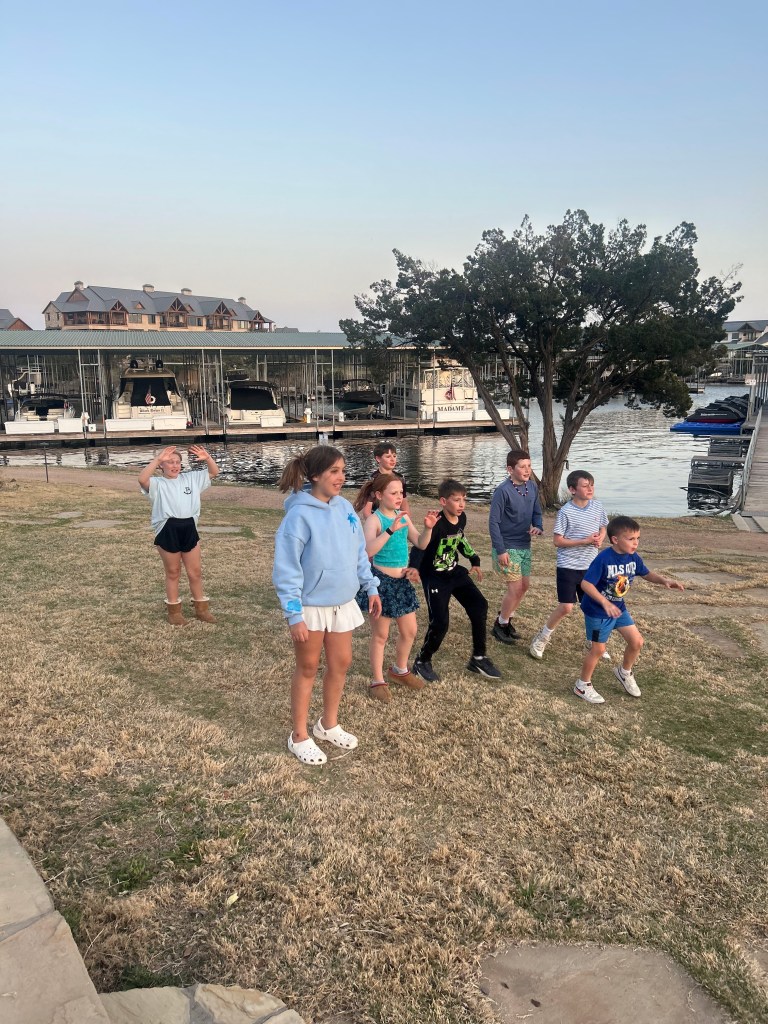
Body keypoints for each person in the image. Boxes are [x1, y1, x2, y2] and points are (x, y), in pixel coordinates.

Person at [273, 445, 382, 765]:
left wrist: (370, 586)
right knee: (308, 667)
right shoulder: (298, 516)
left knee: (341, 663)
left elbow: (359, 551)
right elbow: (286, 568)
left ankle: (328, 724)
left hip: (342, 602)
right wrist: (293, 614)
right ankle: (299, 735)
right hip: (310, 606)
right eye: (334, 471)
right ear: (315, 476)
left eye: (343, 471)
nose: (341, 477)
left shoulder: (345, 507)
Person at [573, 515, 685, 703]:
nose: (636, 543)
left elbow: (646, 573)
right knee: (598, 650)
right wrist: (604, 602)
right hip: (598, 611)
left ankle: (624, 672)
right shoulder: (603, 559)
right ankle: (582, 685)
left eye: (638, 538)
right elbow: (586, 584)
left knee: (637, 642)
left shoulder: (633, 557)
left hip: (618, 608)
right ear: (615, 540)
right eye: (631, 539)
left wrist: (664, 580)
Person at [353, 474, 439, 701]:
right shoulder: (374, 520)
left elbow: (420, 543)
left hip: (402, 583)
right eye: (394, 493)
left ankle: (400, 670)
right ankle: (377, 680)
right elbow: (368, 550)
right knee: (380, 635)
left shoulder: (404, 517)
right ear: (379, 495)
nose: (399, 496)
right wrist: (390, 529)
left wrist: (428, 529)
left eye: (401, 492)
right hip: (380, 584)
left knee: (410, 631)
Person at [410, 479, 502, 682]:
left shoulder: (462, 518)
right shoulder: (436, 524)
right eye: (457, 500)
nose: (462, 504)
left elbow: (459, 539)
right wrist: (414, 568)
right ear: (443, 501)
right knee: (440, 622)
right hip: (435, 577)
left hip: (454, 572)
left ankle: (478, 658)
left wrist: (474, 559)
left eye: (464, 499)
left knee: (479, 605)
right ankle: (422, 661)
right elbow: (419, 547)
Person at [529, 470, 609, 660]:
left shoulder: (597, 506)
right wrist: (585, 541)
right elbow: (558, 541)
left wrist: (600, 538)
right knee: (566, 607)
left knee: (592, 606)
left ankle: (594, 642)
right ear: (572, 490)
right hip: (568, 567)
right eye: (585, 485)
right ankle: (542, 638)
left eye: (592, 485)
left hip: (590, 567)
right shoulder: (565, 512)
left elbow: (603, 527)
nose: (590, 489)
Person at [138, 444, 220, 625]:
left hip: (189, 528)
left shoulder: (191, 478)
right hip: (168, 529)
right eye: (169, 462)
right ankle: (174, 611)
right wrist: (158, 459)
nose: (174, 466)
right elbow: (142, 479)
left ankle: (201, 609)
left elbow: (214, 472)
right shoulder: (157, 483)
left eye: (177, 462)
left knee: (195, 572)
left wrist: (208, 458)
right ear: (162, 466)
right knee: (173, 572)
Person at [489, 449, 544, 644]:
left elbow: (537, 512)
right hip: (507, 546)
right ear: (510, 469)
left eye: (529, 466)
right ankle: (500, 625)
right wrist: (501, 550)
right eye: (522, 467)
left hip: (524, 545)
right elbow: (493, 522)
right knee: (515, 588)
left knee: (524, 586)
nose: (527, 470)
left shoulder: (532, 487)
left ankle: (506, 619)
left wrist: (538, 527)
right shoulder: (502, 491)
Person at [360, 441, 410, 517]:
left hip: (396, 517)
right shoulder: (373, 479)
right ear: (378, 459)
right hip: (378, 517)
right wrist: (373, 522)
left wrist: (406, 520)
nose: (392, 459)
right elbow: (367, 510)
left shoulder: (400, 478)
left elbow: (404, 503)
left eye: (394, 456)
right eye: (388, 457)